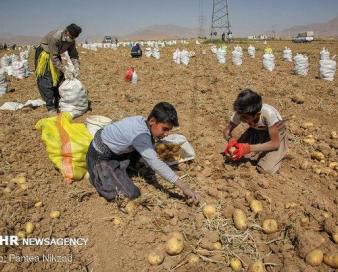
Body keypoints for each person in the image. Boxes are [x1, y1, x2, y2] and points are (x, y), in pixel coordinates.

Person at [86, 102, 199, 204]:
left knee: (152, 148)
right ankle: (97, 177)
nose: (167, 134)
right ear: (152, 121)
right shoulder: (141, 135)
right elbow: (156, 164)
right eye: (164, 129)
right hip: (100, 156)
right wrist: (184, 187)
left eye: (169, 130)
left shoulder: (142, 122)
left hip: (115, 149)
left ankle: (124, 166)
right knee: (130, 194)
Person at [223, 89, 287, 174]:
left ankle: (280, 153)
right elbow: (227, 131)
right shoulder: (241, 112)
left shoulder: (269, 114)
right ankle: (260, 151)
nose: (241, 119)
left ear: (257, 114)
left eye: (245, 117)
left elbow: (275, 143)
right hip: (256, 131)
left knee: (265, 169)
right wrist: (230, 140)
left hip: (276, 134)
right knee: (232, 157)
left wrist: (248, 148)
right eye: (240, 116)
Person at [35, 23, 82, 114]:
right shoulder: (55, 37)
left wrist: (76, 66)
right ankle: (51, 108)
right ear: (66, 32)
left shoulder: (71, 40)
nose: (71, 40)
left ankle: (57, 102)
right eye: (71, 37)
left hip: (55, 55)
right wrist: (64, 70)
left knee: (59, 79)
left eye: (73, 38)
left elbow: (73, 55)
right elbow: (54, 58)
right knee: (47, 80)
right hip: (45, 54)